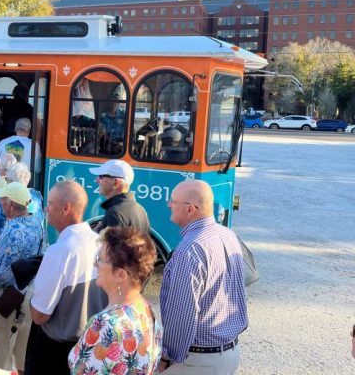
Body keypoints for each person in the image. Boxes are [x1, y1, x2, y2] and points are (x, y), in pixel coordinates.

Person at [158, 180, 248, 374]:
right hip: (229, 352)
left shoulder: (190, 249)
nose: (168, 204)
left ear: (190, 209)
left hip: (198, 361)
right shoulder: (228, 235)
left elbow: (182, 314)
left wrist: (166, 356)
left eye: (172, 201)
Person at [26, 180, 107, 374]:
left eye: (50, 204)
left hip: (56, 353)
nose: (46, 208)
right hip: (91, 347)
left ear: (65, 208)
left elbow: (39, 315)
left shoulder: (60, 250)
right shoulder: (99, 242)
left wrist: (28, 293)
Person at [68, 227, 162, 374]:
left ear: (120, 274)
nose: (95, 264)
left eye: (99, 259)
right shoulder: (147, 310)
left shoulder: (106, 324)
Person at [0, 182, 44, 374]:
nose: (0, 202)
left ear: (11, 204)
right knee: (22, 352)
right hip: (27, 294)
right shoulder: (36, 224)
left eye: (3, 199)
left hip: (6, 298)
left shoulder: (13, 231)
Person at [88, 159, 150, 233]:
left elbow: (110, 244)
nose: (96, 180)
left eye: (101, 176)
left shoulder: (114, 214)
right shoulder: (141, 210)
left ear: (116, 183)